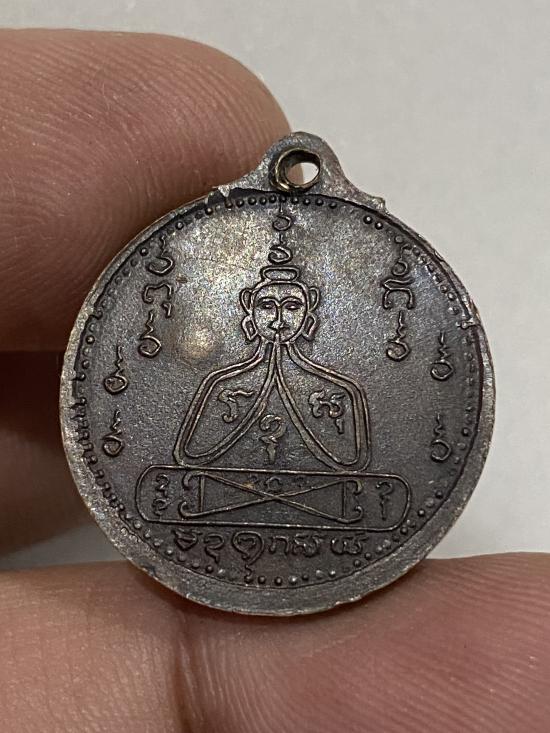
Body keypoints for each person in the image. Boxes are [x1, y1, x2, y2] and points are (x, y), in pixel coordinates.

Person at [1, 29, 548, 733]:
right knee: (169, 487)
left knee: (374, 497)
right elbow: (194, 456)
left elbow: (350, 463)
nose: (279, 317)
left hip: (323, 501)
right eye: (267, 306)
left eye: (292, 306)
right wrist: (240, 411)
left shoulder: (339, 392)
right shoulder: (223, 385)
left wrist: (310, 410)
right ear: (250, 313)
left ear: (310, 316)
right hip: (223, 497)